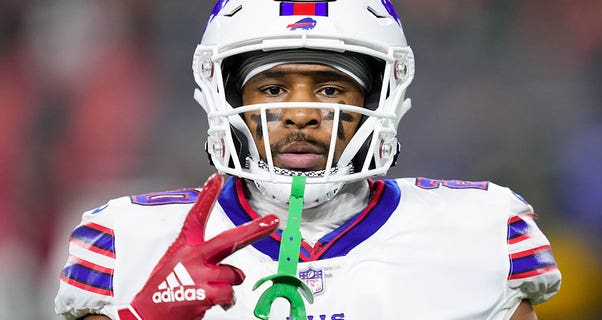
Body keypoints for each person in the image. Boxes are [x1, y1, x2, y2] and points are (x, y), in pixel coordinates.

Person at [55, 1, 561, 319]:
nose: (300, 113)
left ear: (379, 100)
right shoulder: (130, 239)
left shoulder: (477, 233)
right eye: (273, 88)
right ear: (224, 98)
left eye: (330, 88)